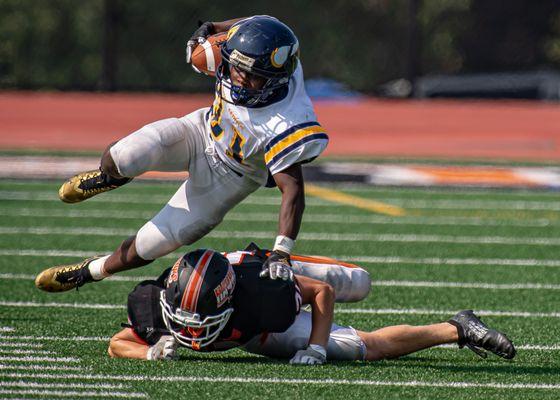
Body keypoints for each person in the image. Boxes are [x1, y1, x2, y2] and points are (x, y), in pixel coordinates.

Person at [34, 15, 329, 293]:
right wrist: (213, 26)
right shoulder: (268, 49)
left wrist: (281, 252)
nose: (237, 78)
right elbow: (253, 24)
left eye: (250, 75)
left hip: (229, 178)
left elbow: (292, 189)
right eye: (236, 67)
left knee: (152, 243)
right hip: (200, 131)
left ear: (275, 79)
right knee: (125, 154)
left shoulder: (287, 121)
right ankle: (109, 177)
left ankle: (89, 271)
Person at [108, 247, 516, 364]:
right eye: (186, 319)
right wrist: (147, 351)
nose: (194, 329)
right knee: (362, 347)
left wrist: (317, 347)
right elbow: (117, 342)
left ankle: (292, 258)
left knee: (359, 283)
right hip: (248, 329)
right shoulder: (156, 303)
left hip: (266, 275)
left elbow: (322, 293)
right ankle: (458, 327)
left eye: (203, 318)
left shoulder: (263, 295)